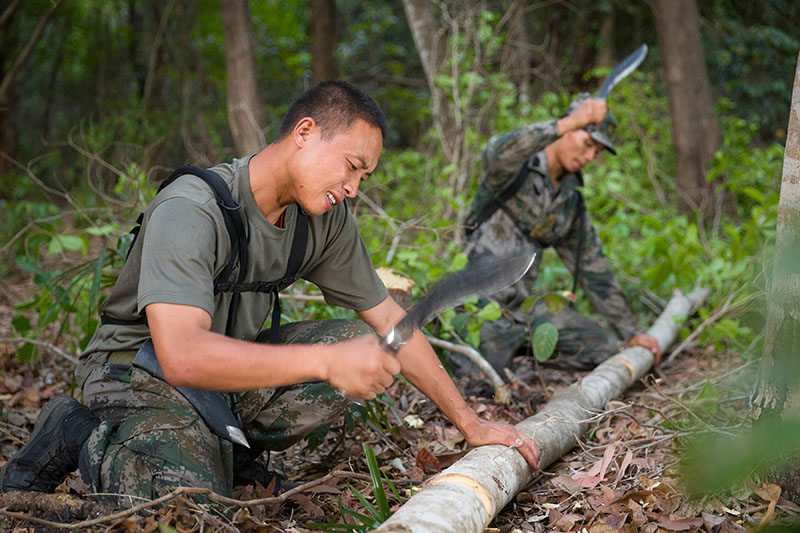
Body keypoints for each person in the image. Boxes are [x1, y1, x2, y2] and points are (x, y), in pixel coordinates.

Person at [0, 81, 538, 503]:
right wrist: (325, 364)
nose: (353, 188)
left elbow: (391, 320)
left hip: (225, 377)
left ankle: (225, 446)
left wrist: (469, 423)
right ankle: (81, 432)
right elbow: (182, 355)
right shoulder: (192, 209)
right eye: (352, 167)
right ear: (304, 132)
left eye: (364, 178)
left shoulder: (324, 220)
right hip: (135, 368)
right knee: (187, 507)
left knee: (359, 338)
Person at [462, 93, 661, 374]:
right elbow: (494, 151)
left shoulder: (570, 201)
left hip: (522, 311)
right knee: (481, 377)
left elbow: (596, 272)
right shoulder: (518, 165)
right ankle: (507, 366)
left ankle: (526, 363)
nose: (590, 156)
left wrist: (631, 332)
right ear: (568, 131)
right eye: (588, 143)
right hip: (475, 304)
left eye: (597, 152)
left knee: (602, 346)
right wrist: (568, 122)